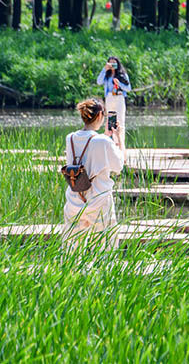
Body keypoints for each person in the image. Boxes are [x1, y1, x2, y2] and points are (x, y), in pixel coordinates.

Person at [62, 98, 124, 251]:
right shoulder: (103, 141)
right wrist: (118, 138)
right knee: (106, 247)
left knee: (71, 249)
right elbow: (119, 166)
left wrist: (105, 137)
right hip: (99, 199)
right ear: (99, 116)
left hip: (75, 199)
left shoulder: (70, 138)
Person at [96, 56, 131, 155]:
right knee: (110, 121)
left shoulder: (123, 75)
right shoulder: (107, 75)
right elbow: (99, 82)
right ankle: (111, 143)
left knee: (120, 120)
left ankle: (120, 143)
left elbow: (128, 88)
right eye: (110, 63)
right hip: (109, 97)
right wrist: (104, 69)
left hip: (119, 97)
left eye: (114, 63)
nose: (112, 65)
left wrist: (119, 84)